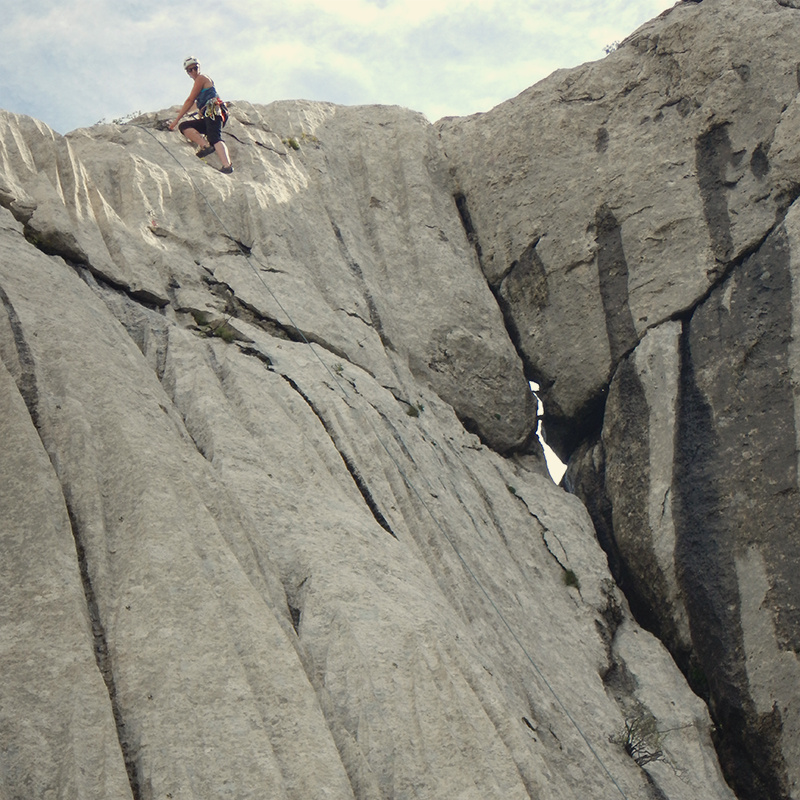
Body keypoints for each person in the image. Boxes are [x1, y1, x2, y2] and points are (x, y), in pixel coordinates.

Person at [169, 57, 233, 174]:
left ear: (199, 68)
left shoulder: (201, 78)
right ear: (187, 72)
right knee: (184, 126)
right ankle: (206, 146)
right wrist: (183, 111)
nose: (193, 71)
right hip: (208, 114)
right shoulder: (200, 86)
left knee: (214, 138)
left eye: (195, 68)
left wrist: (176, 120)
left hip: (213, 111)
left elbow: (190, 100)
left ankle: (227, 165)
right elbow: (195, 105)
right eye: (190, 70)